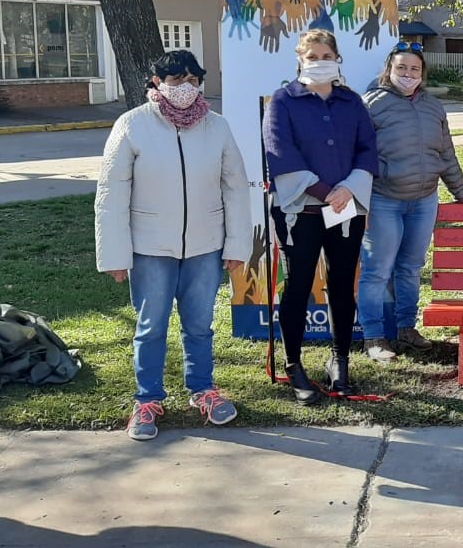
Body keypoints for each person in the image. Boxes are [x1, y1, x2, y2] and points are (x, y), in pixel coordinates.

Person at [95, 50, 250, 440]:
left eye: (193, 80)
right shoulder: (131, 125)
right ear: (156, 82)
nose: (185, 88)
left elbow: (235, 188)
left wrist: (236, 245)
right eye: (176, 79)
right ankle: (146, 400)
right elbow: (111, 193)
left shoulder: (217, 127)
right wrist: (114, 254)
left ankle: (203, 390)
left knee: (199, 325)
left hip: (205, 245)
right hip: (150, 248)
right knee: (150, 327)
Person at [262, 28, 377, 404]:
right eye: (311, 57)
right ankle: (294, 365)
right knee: (298, 286)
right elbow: (280, 151)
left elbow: (367, 150)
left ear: (337, 59)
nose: (319, 62)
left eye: (325, 55)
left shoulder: (352, 102)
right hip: (301, 212)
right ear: (299, 60)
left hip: (345, 209)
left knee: (343, 284)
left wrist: (347, 189)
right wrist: (325, 191)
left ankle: (340, 359)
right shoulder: (283, 101)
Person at [358, 41, 463, 359]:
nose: (408, 74)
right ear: (389, 69)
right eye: (401, 67)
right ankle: (374, 337)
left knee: (409, 268)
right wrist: (369, 192)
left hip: (423, 202)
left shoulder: (434, 107)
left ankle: (406, 329)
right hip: (384, 201)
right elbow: (358, 156)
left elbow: (446, 154)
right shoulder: (371, 104)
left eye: (414, 68)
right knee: (377, 271)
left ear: (422, 72)